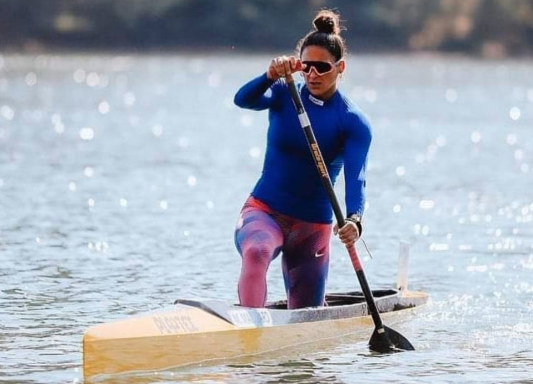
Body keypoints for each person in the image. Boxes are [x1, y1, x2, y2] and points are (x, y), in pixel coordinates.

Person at [233, 9, 372, 309]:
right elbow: (243, 99)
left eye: (322, 67)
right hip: (264, 212)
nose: (312, 75)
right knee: (257, 251)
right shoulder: (284, 94)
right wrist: (269, 76)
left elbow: (356, 176)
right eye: (306, 67)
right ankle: (247, 331)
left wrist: (354, 220)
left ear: (340, 68)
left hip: (312, 228)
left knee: (306, 311)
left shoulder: (352, 122)